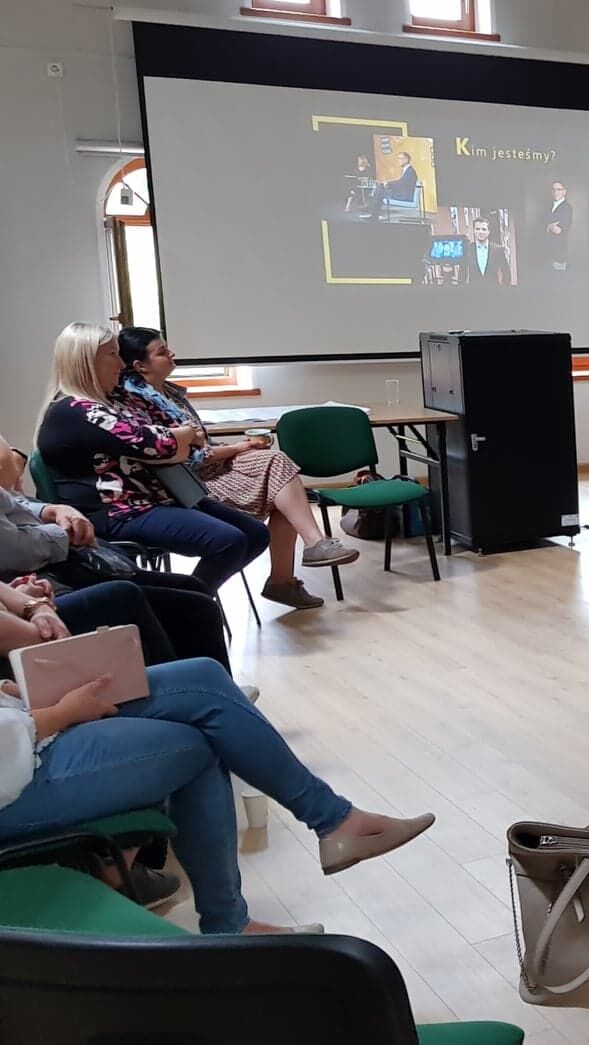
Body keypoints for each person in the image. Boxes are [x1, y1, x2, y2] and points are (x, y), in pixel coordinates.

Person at [0, 655, 435, 935]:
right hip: (16, 772)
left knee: (202, 677)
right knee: (198, 746)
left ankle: (333, 823)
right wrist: (56, 715)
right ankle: (237, 918)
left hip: (18, 728)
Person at [112, 327, 357, 609]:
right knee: (280, 482)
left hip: (211, 468)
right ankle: (295, 566)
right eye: (162, 352)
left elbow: (202, 442)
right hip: (189, 484)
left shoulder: (169, 393)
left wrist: (237, 447)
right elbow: (188, 458)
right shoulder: (137, 402)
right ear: (140, 365)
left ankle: (303, 559)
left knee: (280, 477)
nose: (172, 354)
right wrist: (238, 448)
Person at [36, 322, 269, 595]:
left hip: (158, 498)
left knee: (256, 534)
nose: (121, 364)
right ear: (86, 362)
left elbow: (177, 431)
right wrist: (180, 438)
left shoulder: (117, 398)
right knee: (228, 541)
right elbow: (159, 445)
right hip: (115, 511)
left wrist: (178, 439)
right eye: (112, 355)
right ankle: (186, 605)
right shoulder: (75, 409)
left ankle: (186, 601)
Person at [0, 431, 235, 670]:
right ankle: (183, 685)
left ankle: (204, 683)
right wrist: (62, 536)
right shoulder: (75, 416)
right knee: (175, 600)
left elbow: (14, 501)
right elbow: (15, 550)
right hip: (52, 566)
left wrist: (53, 510)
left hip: (48, 569)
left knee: (194, 589)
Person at [459, 217, 510, 286]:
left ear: (488, 231)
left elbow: (506, 272)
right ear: (474, 231)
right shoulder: (467, 249)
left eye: (484, 229)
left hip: (494, 291)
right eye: (477, 229)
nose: (480, 232)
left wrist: (503, 290)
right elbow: (462, 274)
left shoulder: (498, 250)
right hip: (473, 291)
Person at [545, 181, 572, 271]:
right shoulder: (547, 207)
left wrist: (548, 227)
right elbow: (541, 226)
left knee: (558, 276)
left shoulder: (567, 208)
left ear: (564, 191)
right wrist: (549, 227)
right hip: (546, 252)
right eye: (553, 190)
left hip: (559, 252)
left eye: (558, 189)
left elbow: (558, 230)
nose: (555, 192)